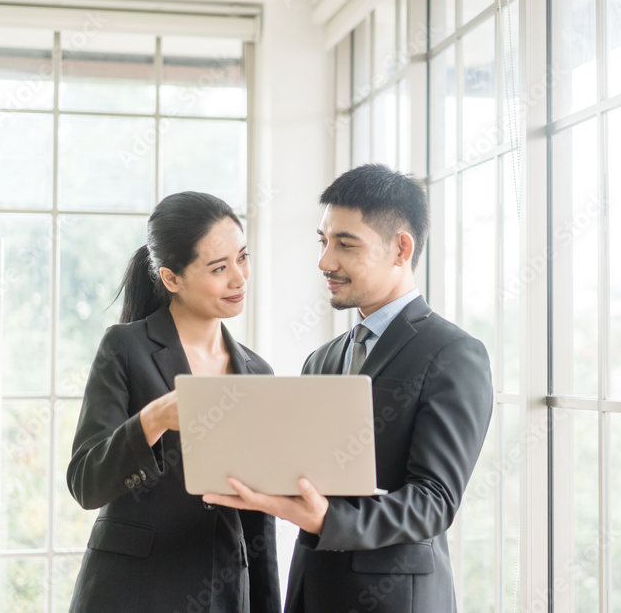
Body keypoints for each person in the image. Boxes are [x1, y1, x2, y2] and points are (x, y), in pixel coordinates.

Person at [204, 165, 493, 612]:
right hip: (312, 592)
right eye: (324, 241)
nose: (325, 262)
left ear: (401, 248)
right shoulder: (321, 360)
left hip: (397, 600)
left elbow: (433, 502)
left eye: (345, 244)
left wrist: (327, 519)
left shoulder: (453, 354)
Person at [66, 191, 280, 613]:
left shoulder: (257, 372)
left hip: (221, 592)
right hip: (130, 590)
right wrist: (155, 418)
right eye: (219, 268)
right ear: (171, 279)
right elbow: (87, 482)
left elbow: (260, 522)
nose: (238, 278)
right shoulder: (125, 347)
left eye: (243, 257)